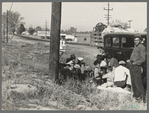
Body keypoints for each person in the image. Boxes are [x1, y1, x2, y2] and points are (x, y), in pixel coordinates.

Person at [129, 34, 146, 102]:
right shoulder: (136, 47)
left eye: (137, 40)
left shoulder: (141, 47)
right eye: (135, 40)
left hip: (136, 66)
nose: (136, 41)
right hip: (133, 66)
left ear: (140, 40)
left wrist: (136, 63)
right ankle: (137, 96)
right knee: (133, 82)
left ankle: (143, 98)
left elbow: (143, 59)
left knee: (138, 82)